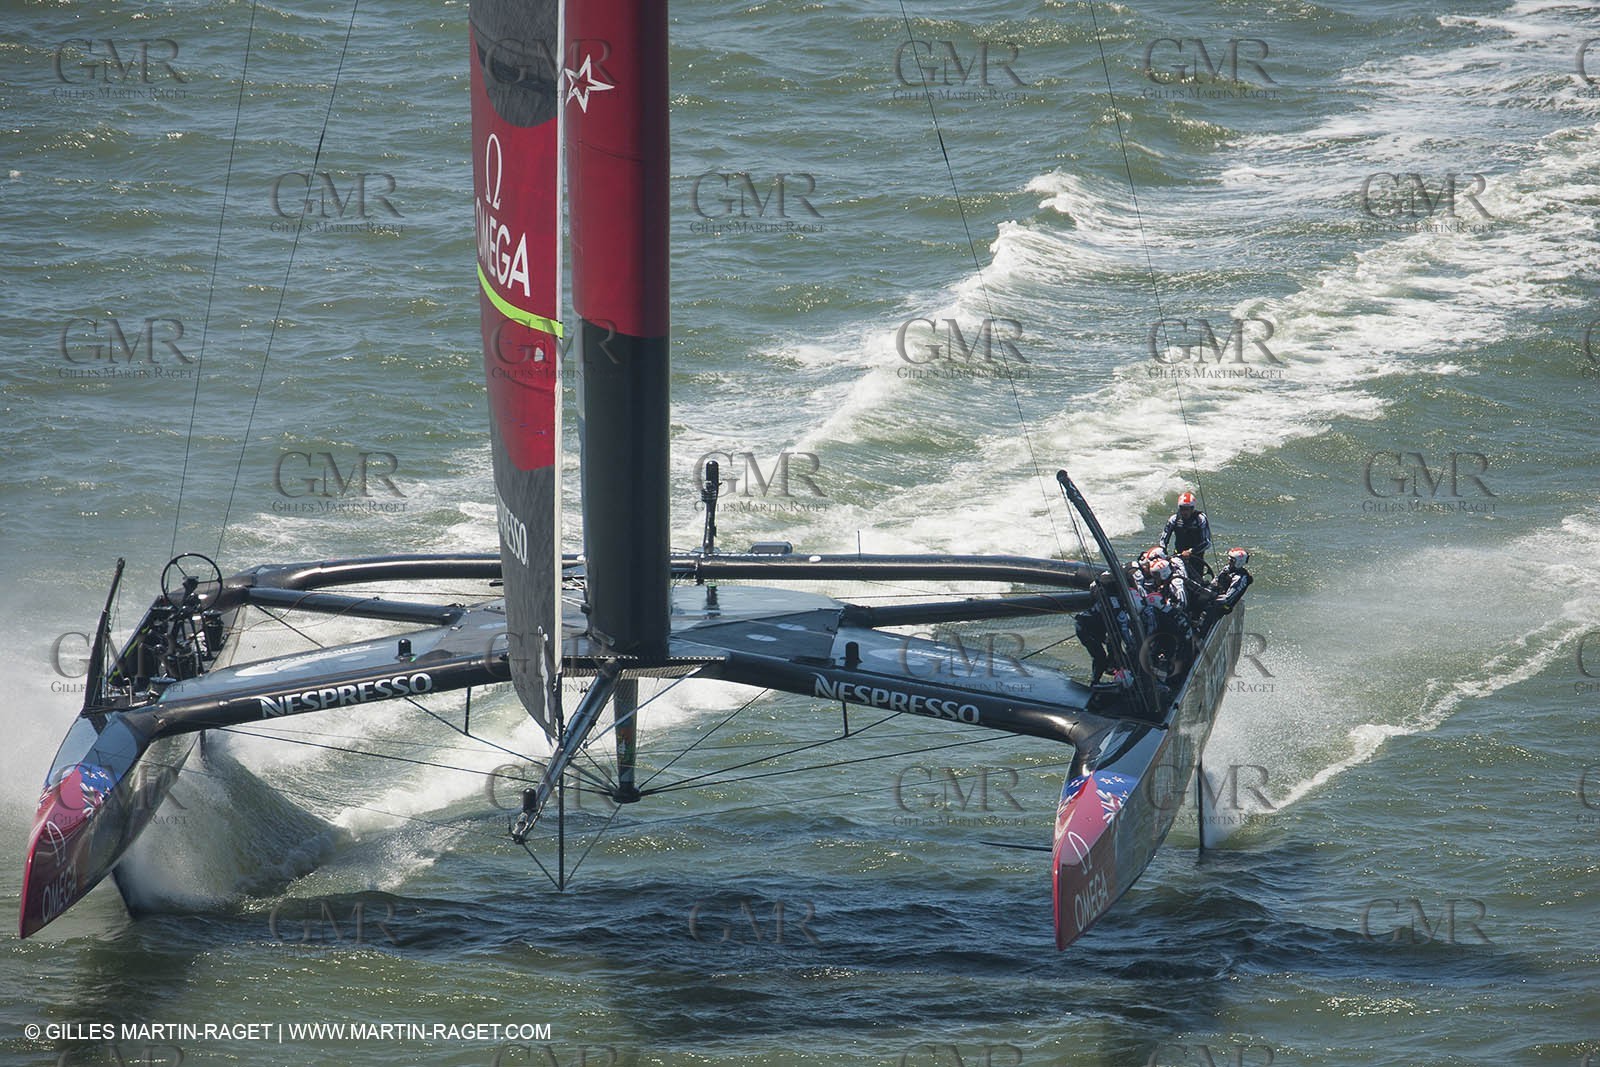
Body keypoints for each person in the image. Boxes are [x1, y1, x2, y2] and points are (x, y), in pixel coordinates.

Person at [1161, 491, 1211, 579]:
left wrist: (1191, 552)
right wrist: (1162, 553)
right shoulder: (1174, 519)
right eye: (1182, 508)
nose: (1185, 512)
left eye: (1187, 509)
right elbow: (1163, 540)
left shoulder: (1200, 519)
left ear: (1192, 509)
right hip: (1178, 556)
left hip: (1196, 557)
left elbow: (1207, 543)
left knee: (1196, 581)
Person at [1200, 547, 1252, 630]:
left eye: (1232, 561)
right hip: (1217, 595)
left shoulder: (1239, 578)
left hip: (1223, 606)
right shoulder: (1228, 569)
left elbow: (1228, 599)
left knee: (1209, 607)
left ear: (1239, 562)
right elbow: (1215, 581)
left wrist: (1211, 598)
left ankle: (1201, 633)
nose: (1229, 562)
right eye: (1229, 560)